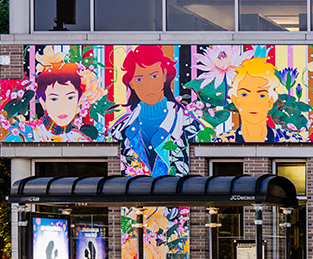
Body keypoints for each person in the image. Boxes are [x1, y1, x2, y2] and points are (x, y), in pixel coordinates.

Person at [115, 46, 194, 174]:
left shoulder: (190, 126)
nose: (148, 85)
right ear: (131, 84)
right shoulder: (120, 131)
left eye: (154, 76)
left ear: (164, 76)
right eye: (139, 79)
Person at [30, 64, 98, 140]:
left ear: (78, 101)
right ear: (43, 102)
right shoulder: (27, 132)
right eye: (54, 99)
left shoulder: (82, 140)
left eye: (70, 97)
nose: (62, 107)